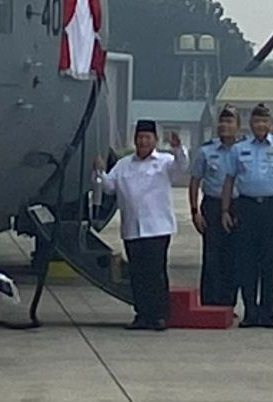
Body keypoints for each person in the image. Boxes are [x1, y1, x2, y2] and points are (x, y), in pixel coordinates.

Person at [97, 122, 189, 332]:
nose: (143, 141)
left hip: (157, 227)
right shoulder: (123, 164)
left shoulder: (165, 162)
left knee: (155, 273)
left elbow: (181, 166)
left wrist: (177, 148)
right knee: (137, 274)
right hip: (132, 228)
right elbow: (109, 187)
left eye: (148, 137)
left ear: (154, 140)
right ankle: (142, 314)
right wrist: (100, 171)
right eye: (140, 137)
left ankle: (159, 315)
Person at [222, 103, 273, 329]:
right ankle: (250, 313)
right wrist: (225, 210)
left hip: (272, 208)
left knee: (269, 262)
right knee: (246, 262)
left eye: (265, 121)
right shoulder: (239, 149)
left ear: (271, 125)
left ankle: (267, 313)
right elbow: (228, 182)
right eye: (256, 121)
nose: (260, 125)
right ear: (250, 124)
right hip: (246, 207)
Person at [189, 107, 239, 307]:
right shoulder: (206, 151)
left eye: (229, 122)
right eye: (222, 122)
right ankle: (210, 301)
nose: (224, 126)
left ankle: (228, 303)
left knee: (233, 255)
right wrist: (195, 211)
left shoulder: (243, 150)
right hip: (212, 205)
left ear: (238, 126)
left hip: (237, 205)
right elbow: (195, 181)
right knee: (212, 254)